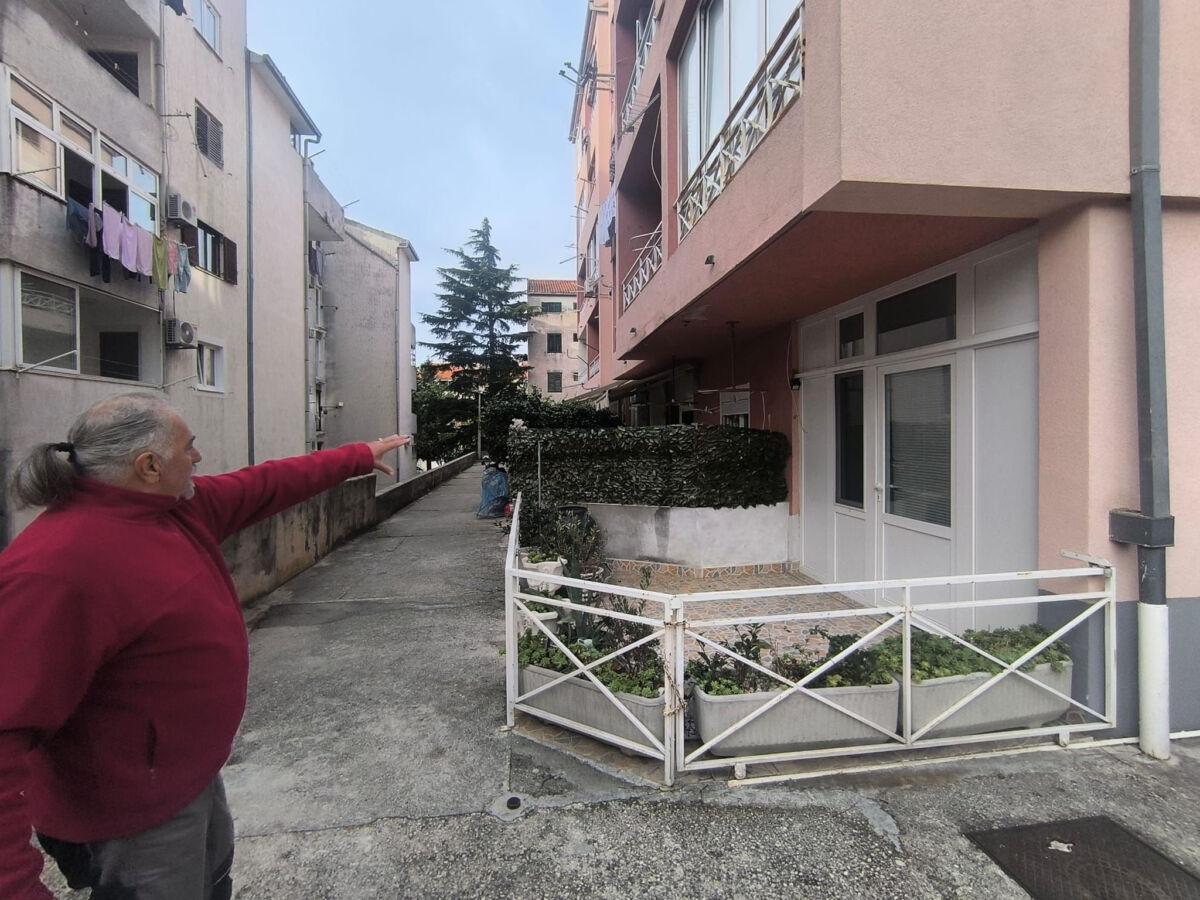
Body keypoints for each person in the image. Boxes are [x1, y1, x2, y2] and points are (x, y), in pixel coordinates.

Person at [0, 392, 410, 900]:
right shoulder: (55, 569)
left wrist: (356, 456)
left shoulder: (170, 508)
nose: (198, 457)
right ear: (148, 466)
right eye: (187, 447)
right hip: (132, 814)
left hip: (189, 774)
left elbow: (263, 485)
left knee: (212, 882)